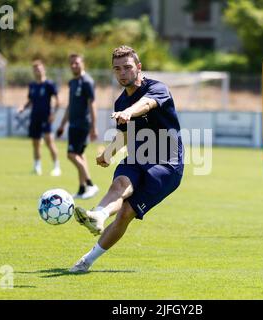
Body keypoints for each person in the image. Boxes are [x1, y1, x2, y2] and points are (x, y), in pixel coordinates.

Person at [69, 45, 184, 273]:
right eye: (117, 69)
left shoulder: (157, 88)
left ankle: (88, 259)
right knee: (119, 184)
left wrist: (131, 112)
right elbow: (124, 136)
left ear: (138, 68)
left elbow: (148, 104)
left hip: (166, 165)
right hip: (138, 157)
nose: (123, 73)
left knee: (125, 213)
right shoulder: (120, 103)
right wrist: (107, 154)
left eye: (128, 67)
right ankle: (98, 216)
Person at [57, 54, 99, 199]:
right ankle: (82, 189)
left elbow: (92, 104)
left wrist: (94, 127)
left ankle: (91, 184)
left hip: (82, 124)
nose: (74, 66)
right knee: (80, 155)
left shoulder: (87, 82)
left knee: (71, 155)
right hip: (73, 124)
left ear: (83, 63)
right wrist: (62, 124)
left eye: (76, 63)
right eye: (72, 64)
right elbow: (70, 105)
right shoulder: (72, 82)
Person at [18, 59, 61, 176]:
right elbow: (30, 100)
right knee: (35, 143)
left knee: (49, 142)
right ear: (33, 71)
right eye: (35, 69)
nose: (38, 71)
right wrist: (23, 107)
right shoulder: (32, 85)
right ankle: (37, 167)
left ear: (44, 69)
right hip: (34, 117)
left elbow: (58, 102)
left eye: (39, 68)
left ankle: (56, 167)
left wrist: (53, 114)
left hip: (46, 118)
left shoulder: (49, 84)